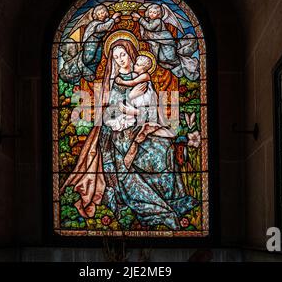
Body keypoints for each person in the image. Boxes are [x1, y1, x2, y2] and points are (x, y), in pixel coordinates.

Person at [61, 37, 198, 230]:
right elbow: (112, 108)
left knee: (163, 147)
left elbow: (151, 105)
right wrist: (130, 103)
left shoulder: (143, 77)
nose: (120, 59)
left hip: (142, 124)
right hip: (119, 131)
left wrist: (139, 112)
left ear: (131, 54)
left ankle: (168, 197)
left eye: (123, 54)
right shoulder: (114, 80)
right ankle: (150, 205)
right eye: (116, 57)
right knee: (130, 155)